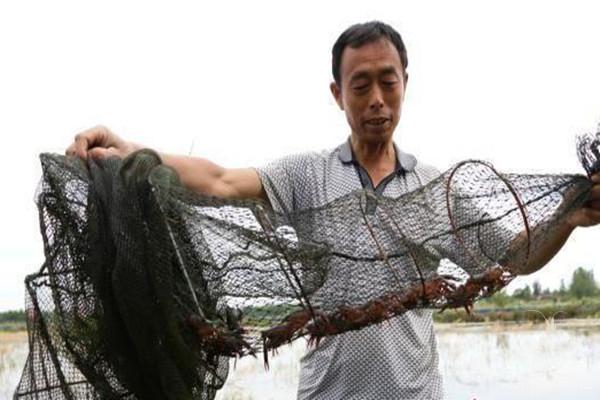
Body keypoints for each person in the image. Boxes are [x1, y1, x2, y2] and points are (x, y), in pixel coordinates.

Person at [66, 21, 600, 400]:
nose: (376, 99)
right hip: (328, 392)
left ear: (405, 85)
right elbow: (220, 180)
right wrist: (130, 148)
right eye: (360, 84)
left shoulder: (438, 189)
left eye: (387, 81)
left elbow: (517, 255)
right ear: (337, 93)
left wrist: (568, 220)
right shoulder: (306, 176)